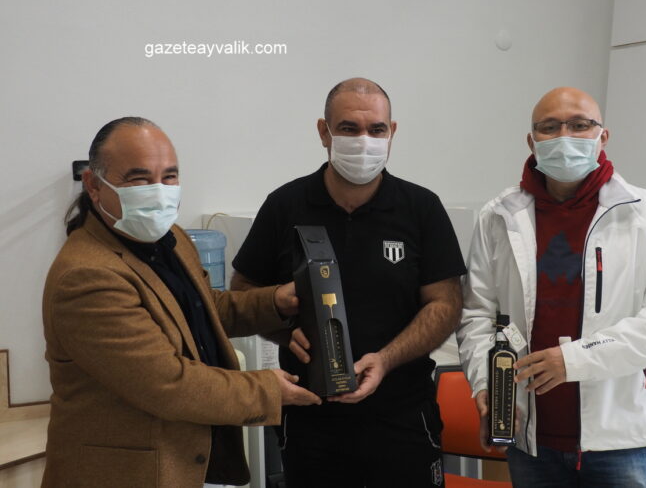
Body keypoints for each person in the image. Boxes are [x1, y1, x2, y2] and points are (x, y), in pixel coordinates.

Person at [42, 117, 320, 488]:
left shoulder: (170, 239)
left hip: (188, 459)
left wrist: (274, 302)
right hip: (126, 474)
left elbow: (203, 309)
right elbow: (168, 384)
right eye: (139, 179)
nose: (159, 192)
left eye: (169, 176)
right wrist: (268, 390)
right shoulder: (87, 276)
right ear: (94, 186)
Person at [231, 78, 466, 487]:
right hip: (310, 419)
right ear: (324, 132)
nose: (364, 141)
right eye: (348, 128)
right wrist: (283, 332)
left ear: (392, 132)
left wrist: (386, 359)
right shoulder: (285, 205)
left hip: (402, 416)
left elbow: (445, 304)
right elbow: (242, 294)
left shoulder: (421, 208)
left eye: (376, 129)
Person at [457, 87, 646, 487]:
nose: (564, 136)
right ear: (531, 141)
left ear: (603, 136)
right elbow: (478, 314)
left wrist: (574, 361)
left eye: (580, 125)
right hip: (531, 439)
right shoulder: (499, 216)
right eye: (549, 127)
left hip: (622, 439)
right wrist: (487, 388)